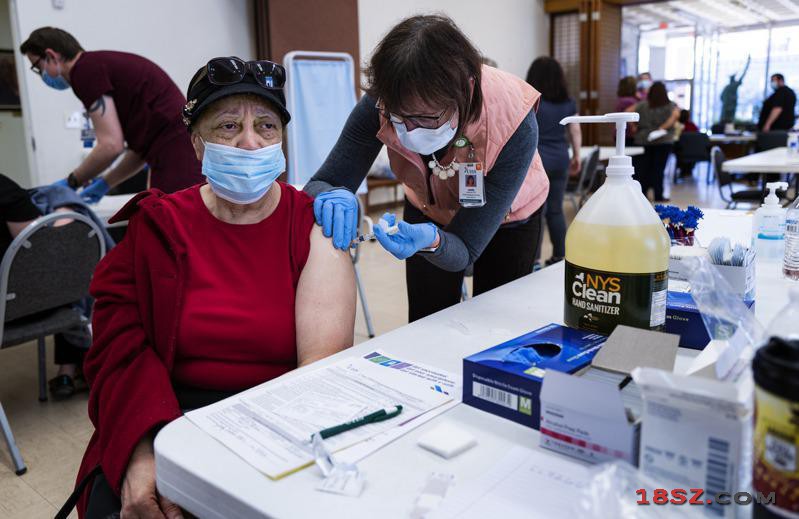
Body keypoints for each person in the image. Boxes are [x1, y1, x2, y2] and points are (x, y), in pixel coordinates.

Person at [70, 58, 356, 518]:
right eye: (227, 126)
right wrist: (144, 451)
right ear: (197, 146)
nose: (250, 141)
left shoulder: (311, 226)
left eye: (267, 125)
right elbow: (118, 349)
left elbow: (317, 374)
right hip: (164, 415)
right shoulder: (158, 224)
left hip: (276, 424)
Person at [304, 15, 548, 322]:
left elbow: (463, 248)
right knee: (427, 319)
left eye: (425, 118)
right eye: (398, 116)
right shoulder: (383, 100)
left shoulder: (515, 121)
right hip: (426, 205)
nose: (407, 129)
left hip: (510, 218)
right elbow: (325, 181)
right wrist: (331, 196)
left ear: (465, 90)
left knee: (497, 325)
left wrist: (434, 242)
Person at [20, 27, 203, 202]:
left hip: (178, 154)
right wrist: (105, 184)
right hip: (182, 149)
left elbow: (110, 145)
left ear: (51, 55)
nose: (41, 74)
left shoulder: (85, 71)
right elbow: (139, 150)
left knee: (173, 222)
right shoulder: (97, 65)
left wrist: (72, 182)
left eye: (38, 67)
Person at [0, 174, 95, 399]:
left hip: (14, 307)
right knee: (62, 276)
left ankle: (68, 370)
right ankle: (70, 370)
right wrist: (65, 212)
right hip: (24, 310)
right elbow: (44, 255)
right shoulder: (5, 190)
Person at [526, 57, 580, 267]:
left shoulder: (530, 98)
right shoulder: (568, 102)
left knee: (536, 212)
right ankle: (560, 255)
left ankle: (535, 259)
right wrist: (576, 155)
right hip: (560, 160)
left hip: (537, 161)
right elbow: (574, 129)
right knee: (556, 210)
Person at [627, 81, 679, 202]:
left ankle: (642, 194)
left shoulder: (643, 105)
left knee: (642, 169)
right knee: (659, 169)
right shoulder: (670, 106)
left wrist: (634, 126)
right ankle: (658, 195)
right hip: (663, 141)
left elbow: (627, 112)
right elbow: (675, 116)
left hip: (643, 139)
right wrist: (662, 128)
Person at [720, 56, 750, 124]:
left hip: (726, 109)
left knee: (725, 124)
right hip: (729, 109)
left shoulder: (727, 87)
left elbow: (721, 97)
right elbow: (743, 75)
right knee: (728, 123)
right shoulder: (733, 86)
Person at [616, 76, 638, 146]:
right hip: (627, 133)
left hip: (622, 132)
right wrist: (633, 127)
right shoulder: (630, 101)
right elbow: (627, 116)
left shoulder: (621, 99)